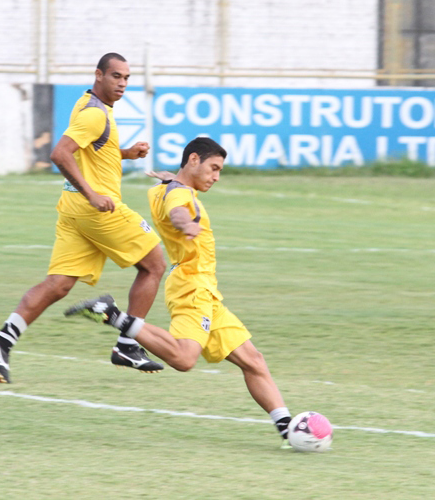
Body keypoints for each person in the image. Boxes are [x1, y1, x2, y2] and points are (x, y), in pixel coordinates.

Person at [65, 137, 293, 447]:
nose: (216, 176)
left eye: (220, 171)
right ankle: (113, 315)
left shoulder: (166, 188)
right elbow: (177, 210)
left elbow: (172, 191)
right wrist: (185, 223)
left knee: (253, 360)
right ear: (194, 159)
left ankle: (288, 428)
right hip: (192, 287)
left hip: (207, 291)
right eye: (214, 168)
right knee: (185, 359)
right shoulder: (180, 197)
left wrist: (171, 177)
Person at [0, 53, 166, 383]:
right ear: (98, 75)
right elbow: (60, 153)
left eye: (126, 78)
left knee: (59, 284)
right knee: (154, 264)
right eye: (116, 76)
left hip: (73, 208)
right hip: (97, 209)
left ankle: (2, 340)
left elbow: (91, 148)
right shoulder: (96, 114)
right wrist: (93, 194)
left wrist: (125, 153)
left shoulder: (87, 105)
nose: (122, 83)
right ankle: (126, 344)